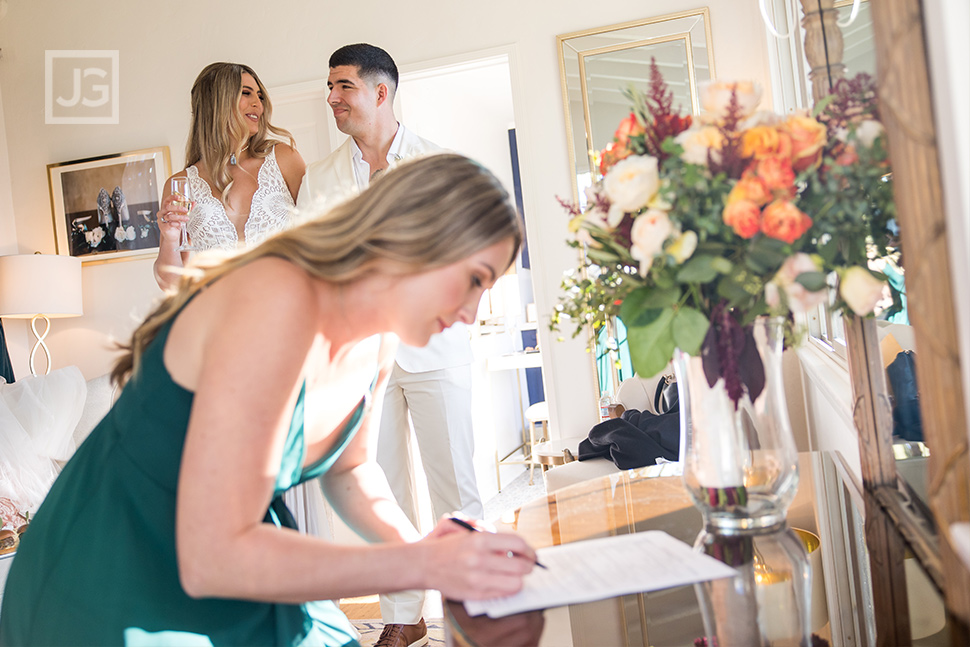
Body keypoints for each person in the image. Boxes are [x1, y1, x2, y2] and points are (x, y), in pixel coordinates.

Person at [0, 153, 534, 646]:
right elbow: (214, 558)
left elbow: (350, 469)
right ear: (418, 237)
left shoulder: (379, 334)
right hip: (110, 578)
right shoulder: (274, 301)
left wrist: (423, 547)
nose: (471, 312)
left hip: (229, 556)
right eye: (474, 280)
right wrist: (423, 566)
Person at [298, 45, 483, 647]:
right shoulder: (322, 177)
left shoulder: (439, 163)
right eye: (330, 87)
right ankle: (402, 617)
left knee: (455, 484)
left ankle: (473, 607)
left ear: (381, 92)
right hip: (360, 363)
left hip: (436, 352)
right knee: (385, 492)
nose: (332, 98)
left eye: (343, 86)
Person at [154, 62, 306, 290]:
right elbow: (171, 285)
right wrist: (170, 237)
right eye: (246, 93)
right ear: (216, 103)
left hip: (286, 308)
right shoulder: (181, 184)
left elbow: (318, 238)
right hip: (218, 315)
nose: (258, 104)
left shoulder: (284, 158)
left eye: (260, 96)